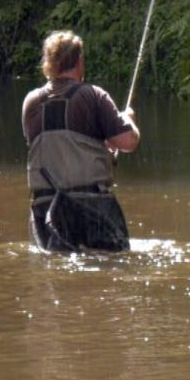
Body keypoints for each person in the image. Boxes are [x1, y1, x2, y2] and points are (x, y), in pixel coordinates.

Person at [22, 30, 140, 252]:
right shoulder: (93, 96)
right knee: (111, 263)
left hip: (46, 210)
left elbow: (55, 148)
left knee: (54, 265)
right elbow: (128, 142)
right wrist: (128, 120)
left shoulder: (31, 103)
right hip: (92, 206)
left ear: (49, 64)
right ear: (79, 61)